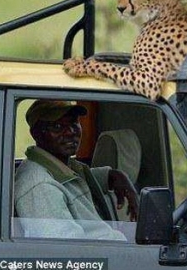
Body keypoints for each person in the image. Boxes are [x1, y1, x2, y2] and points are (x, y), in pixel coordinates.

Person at [14, 99, 139, 241]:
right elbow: (65, 250)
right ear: (36, 134)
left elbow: (75, 181)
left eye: (74, 123)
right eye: (58, 126)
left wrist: (115, 175)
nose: (71, 132)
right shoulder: (40, 187)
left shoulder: (61, 166)